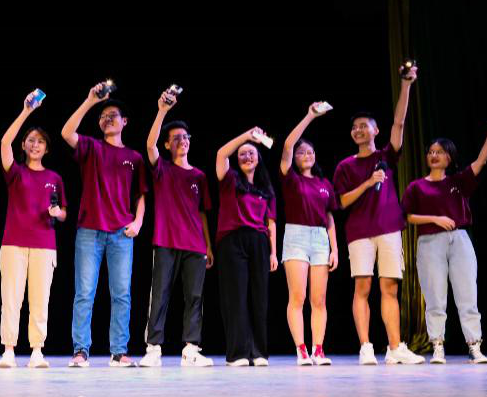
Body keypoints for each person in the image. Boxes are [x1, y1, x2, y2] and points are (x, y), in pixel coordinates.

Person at [332, 63, 423, 365]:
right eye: (355, 127)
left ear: (375, 130)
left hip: (388, 229)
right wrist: (368, 183)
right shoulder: (345, 166)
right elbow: (341, 201)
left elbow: (399, 123)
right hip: (359, 232)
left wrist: (406, 85)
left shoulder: (386, 156)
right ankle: (366, 346)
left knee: (389, 287)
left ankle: (395, 347)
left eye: (364, 126)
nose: (359, 130)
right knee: (362, 287)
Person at [402, 117, 487, 364]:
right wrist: (435, 218)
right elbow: (407, 216)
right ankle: (437, 345)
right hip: (429, 242)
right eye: (431, 152)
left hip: (459, 240)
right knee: (434, 297)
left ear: (449, 157)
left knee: (467, 293)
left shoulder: (457, 182)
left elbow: (481, 162)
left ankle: (474, 345)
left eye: (439, 152)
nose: (434, 155)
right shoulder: (416, 187)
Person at [61, 84, 148, 368]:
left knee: (122, 294)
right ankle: (80, 351)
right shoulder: (92, 147)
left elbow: (141, 195)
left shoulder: (134, 158)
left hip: (122, 233)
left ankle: (118, 351)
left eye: (113, 115)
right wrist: (90, 101)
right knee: (85, 293)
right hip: (89, 229)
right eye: (103, 116)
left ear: (125, 122)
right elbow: (66, 133)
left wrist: (138, 221)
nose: (108, 119)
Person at [139, 87, 215, 368]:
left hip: (195, 244)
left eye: (185, 137)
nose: (182, 141)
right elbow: (150, 145)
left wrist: (208, 246)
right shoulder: (162, 169)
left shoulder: (199, 176)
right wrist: (162, 111)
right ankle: (153, 348)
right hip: (166, 241)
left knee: (195, 296)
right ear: (168, 145)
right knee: (160, 294)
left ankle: (191, 349)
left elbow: (202, 213)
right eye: (176, 138)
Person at [0, 91, 67, 369]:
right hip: (13, 243)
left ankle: (37, 350)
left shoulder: (54, 178)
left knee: (40, 299)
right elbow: (4, 142)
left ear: (47, 148)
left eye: (40, 141)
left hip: (44, 244)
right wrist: (26, 111)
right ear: (24, 146)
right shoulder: (16, 172)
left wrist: (57, 213)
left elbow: (64, 212)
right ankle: (9, 350)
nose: (35, 145)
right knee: (11, 298)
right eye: (31, 140)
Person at [279, 103, 339, 366]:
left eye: (310, 151)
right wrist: (310, 116)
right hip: (296, 236)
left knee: (319, 299)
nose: (306, 155)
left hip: (320, 239)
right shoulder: (291, 178)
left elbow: (329, 217)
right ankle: (301, 350)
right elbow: (287, 145)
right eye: (301, 152)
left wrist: (335, 249)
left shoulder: (324, 184)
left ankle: (318, 349)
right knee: (298, 297)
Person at [215, 128, 278, 367]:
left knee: (259, 297)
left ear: (259, 158)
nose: (247, 157)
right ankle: (238, 353)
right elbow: (221, 154)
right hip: (232, 240)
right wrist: (246, 137)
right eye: (242, 154)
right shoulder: (229, 178)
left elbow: (271, 223)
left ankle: (259, 351)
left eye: (251, 153)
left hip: (259, 242)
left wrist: (273, 252)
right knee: (236, 297)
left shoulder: (265, 188)